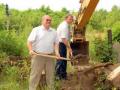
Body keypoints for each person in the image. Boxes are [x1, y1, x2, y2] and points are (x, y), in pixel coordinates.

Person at [27, 15, 60, 90]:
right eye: (47, 20)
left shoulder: (54, 31)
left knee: (50, 75)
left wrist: (57, 52)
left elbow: (56, 43)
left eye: (50, 20)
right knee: (35, 75)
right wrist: (30, 50)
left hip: (50, 56)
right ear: (42, 21)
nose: (49, 21)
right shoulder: (36, 30)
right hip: (38, 55)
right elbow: (29, 41)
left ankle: (51, 88)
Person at [55, 14, 73, 80]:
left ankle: (63, 75)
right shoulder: (64, 26)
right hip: (61, 44)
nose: (71, 20)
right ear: (66, 19)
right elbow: (63, 39)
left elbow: (66, 37)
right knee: (61, 60)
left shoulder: (66, 25)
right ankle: (58, 76)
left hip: (62, 44)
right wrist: (69, 48)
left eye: (72, 19)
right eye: (70, 19)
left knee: (63, 60)